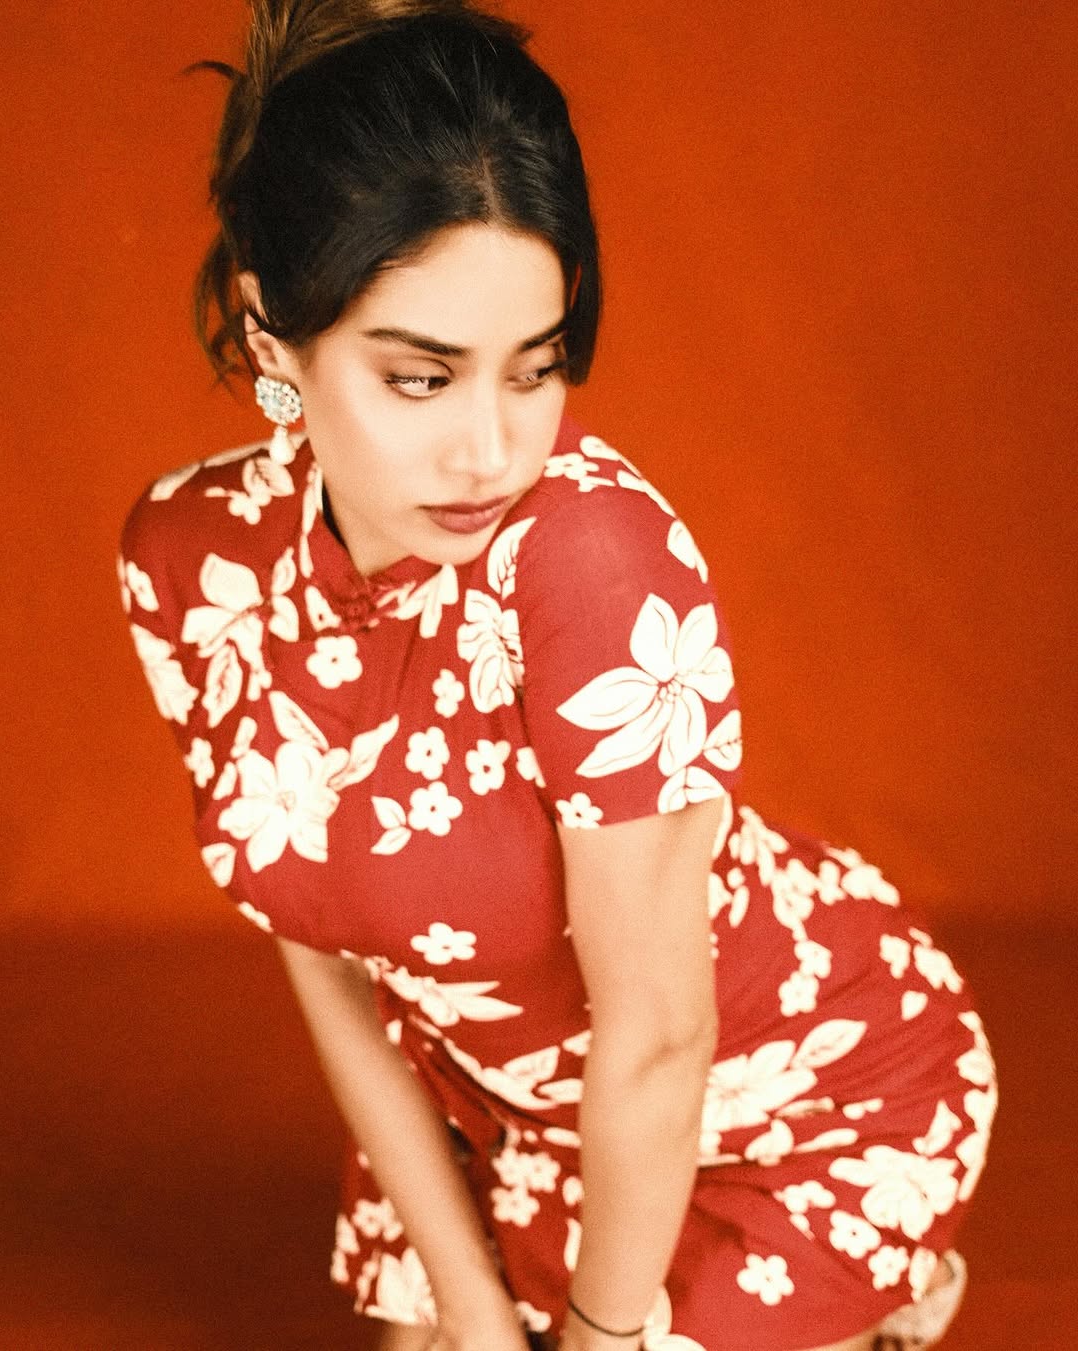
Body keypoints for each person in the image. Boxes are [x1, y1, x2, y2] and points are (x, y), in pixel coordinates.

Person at [119, 2, 996, 1347]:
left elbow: (661, 1034)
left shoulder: (593, 560)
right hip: (499, 1117)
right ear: (274, 343)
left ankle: (885, 1282)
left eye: (534, 371)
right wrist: (470, 1306)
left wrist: (600, 1335)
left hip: (794, 1096)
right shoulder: (189, 555)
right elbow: (329, 966)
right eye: (421, 380)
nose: (491, 453)